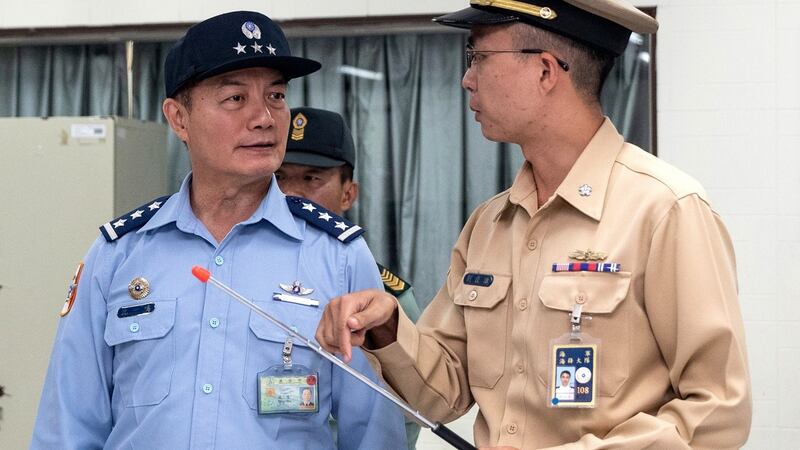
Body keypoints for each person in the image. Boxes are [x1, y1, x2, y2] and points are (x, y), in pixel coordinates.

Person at [315, 1, 752, 449]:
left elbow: (717, 410)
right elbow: (443, 394)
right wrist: (389, 328)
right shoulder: (489, 225)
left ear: (545, 71)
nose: (467, 78)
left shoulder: (665, 210)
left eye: (478, 58)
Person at [30, 11, 406, 450]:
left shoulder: (339, 256)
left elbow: (375, 435)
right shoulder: (118, 254)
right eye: (235, 99)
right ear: (179, 118)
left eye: (277, 96)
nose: (264, 117)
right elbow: (68, 429)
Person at [275, 106, 423, 449]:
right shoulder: (243, 276)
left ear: (348, 193)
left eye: (312, 178)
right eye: (280, 178)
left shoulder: (383, 295)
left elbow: (404, 412)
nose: (291, 194)